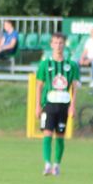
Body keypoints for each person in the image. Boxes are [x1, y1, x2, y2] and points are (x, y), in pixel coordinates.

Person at [35, 32, 78, 176]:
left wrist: (73, 105)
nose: (58, 46)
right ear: (51, 44)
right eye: (55, 43)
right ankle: (47, 164)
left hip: (64, 104)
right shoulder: (45, 64)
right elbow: (39, 86)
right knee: (47, 133)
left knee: (60, 135)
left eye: (61, 43)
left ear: (64, 44)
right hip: (49, 104)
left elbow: (74, 86)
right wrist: (37, 105)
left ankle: (57, 165)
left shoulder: (71, 65)